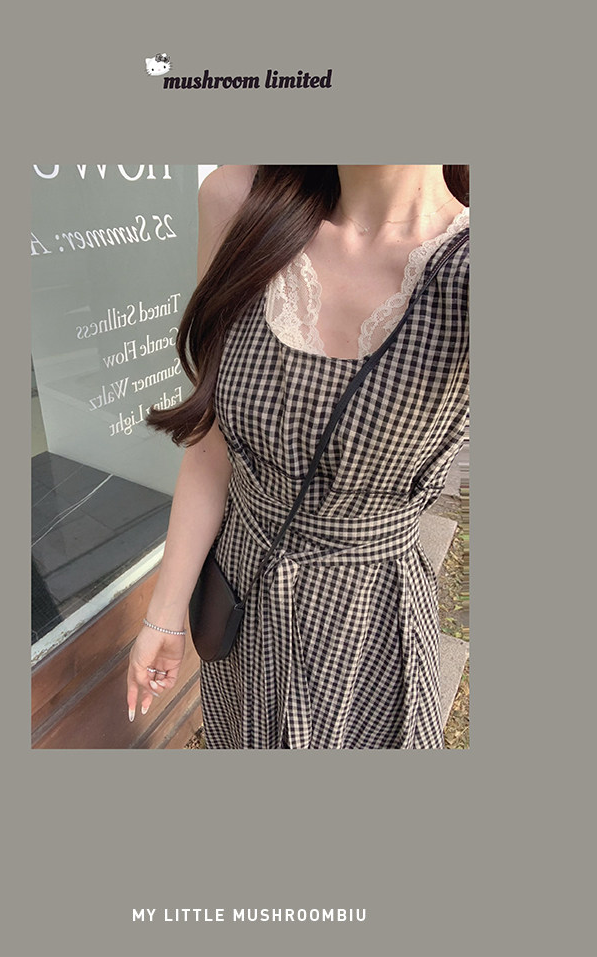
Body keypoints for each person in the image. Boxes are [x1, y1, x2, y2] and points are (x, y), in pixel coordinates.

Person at [126, 165, 469, 749]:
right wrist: (164, 612)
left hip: (367, 629)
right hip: (242, 593)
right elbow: (212, 445)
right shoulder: (240, 204)